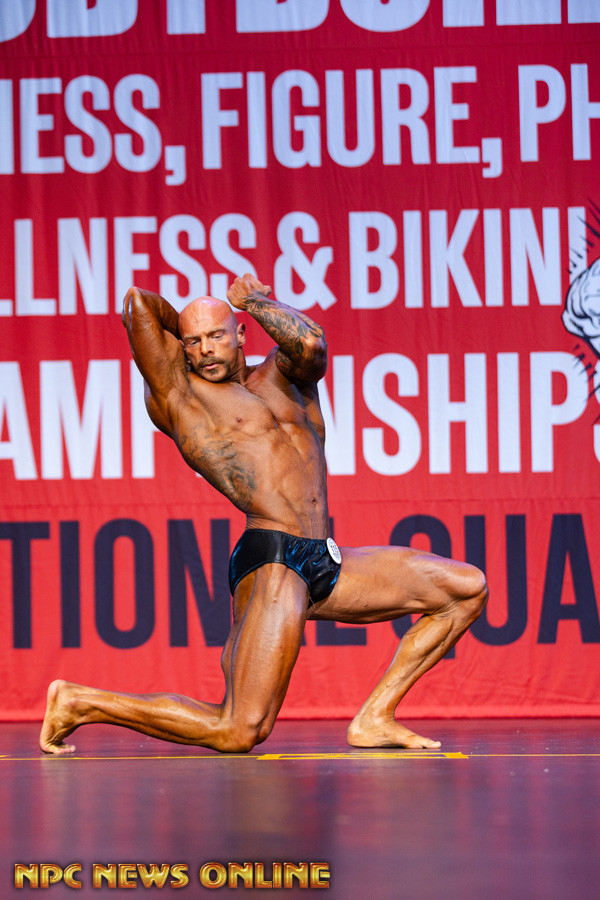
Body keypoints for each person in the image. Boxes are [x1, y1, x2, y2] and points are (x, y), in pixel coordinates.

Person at [40, 273, 487, 755]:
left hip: (324, 556)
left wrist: (253, 300)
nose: (205, 350)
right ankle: (79, 702)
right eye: (193, 342)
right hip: (272, 558)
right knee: (239, 729)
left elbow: (311, 344)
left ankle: (375, 716)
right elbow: (137, 304)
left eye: (216, 335)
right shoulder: (181, 398)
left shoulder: (284, 377)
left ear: (240, 334)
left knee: (465, 589)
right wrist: (185, 326)